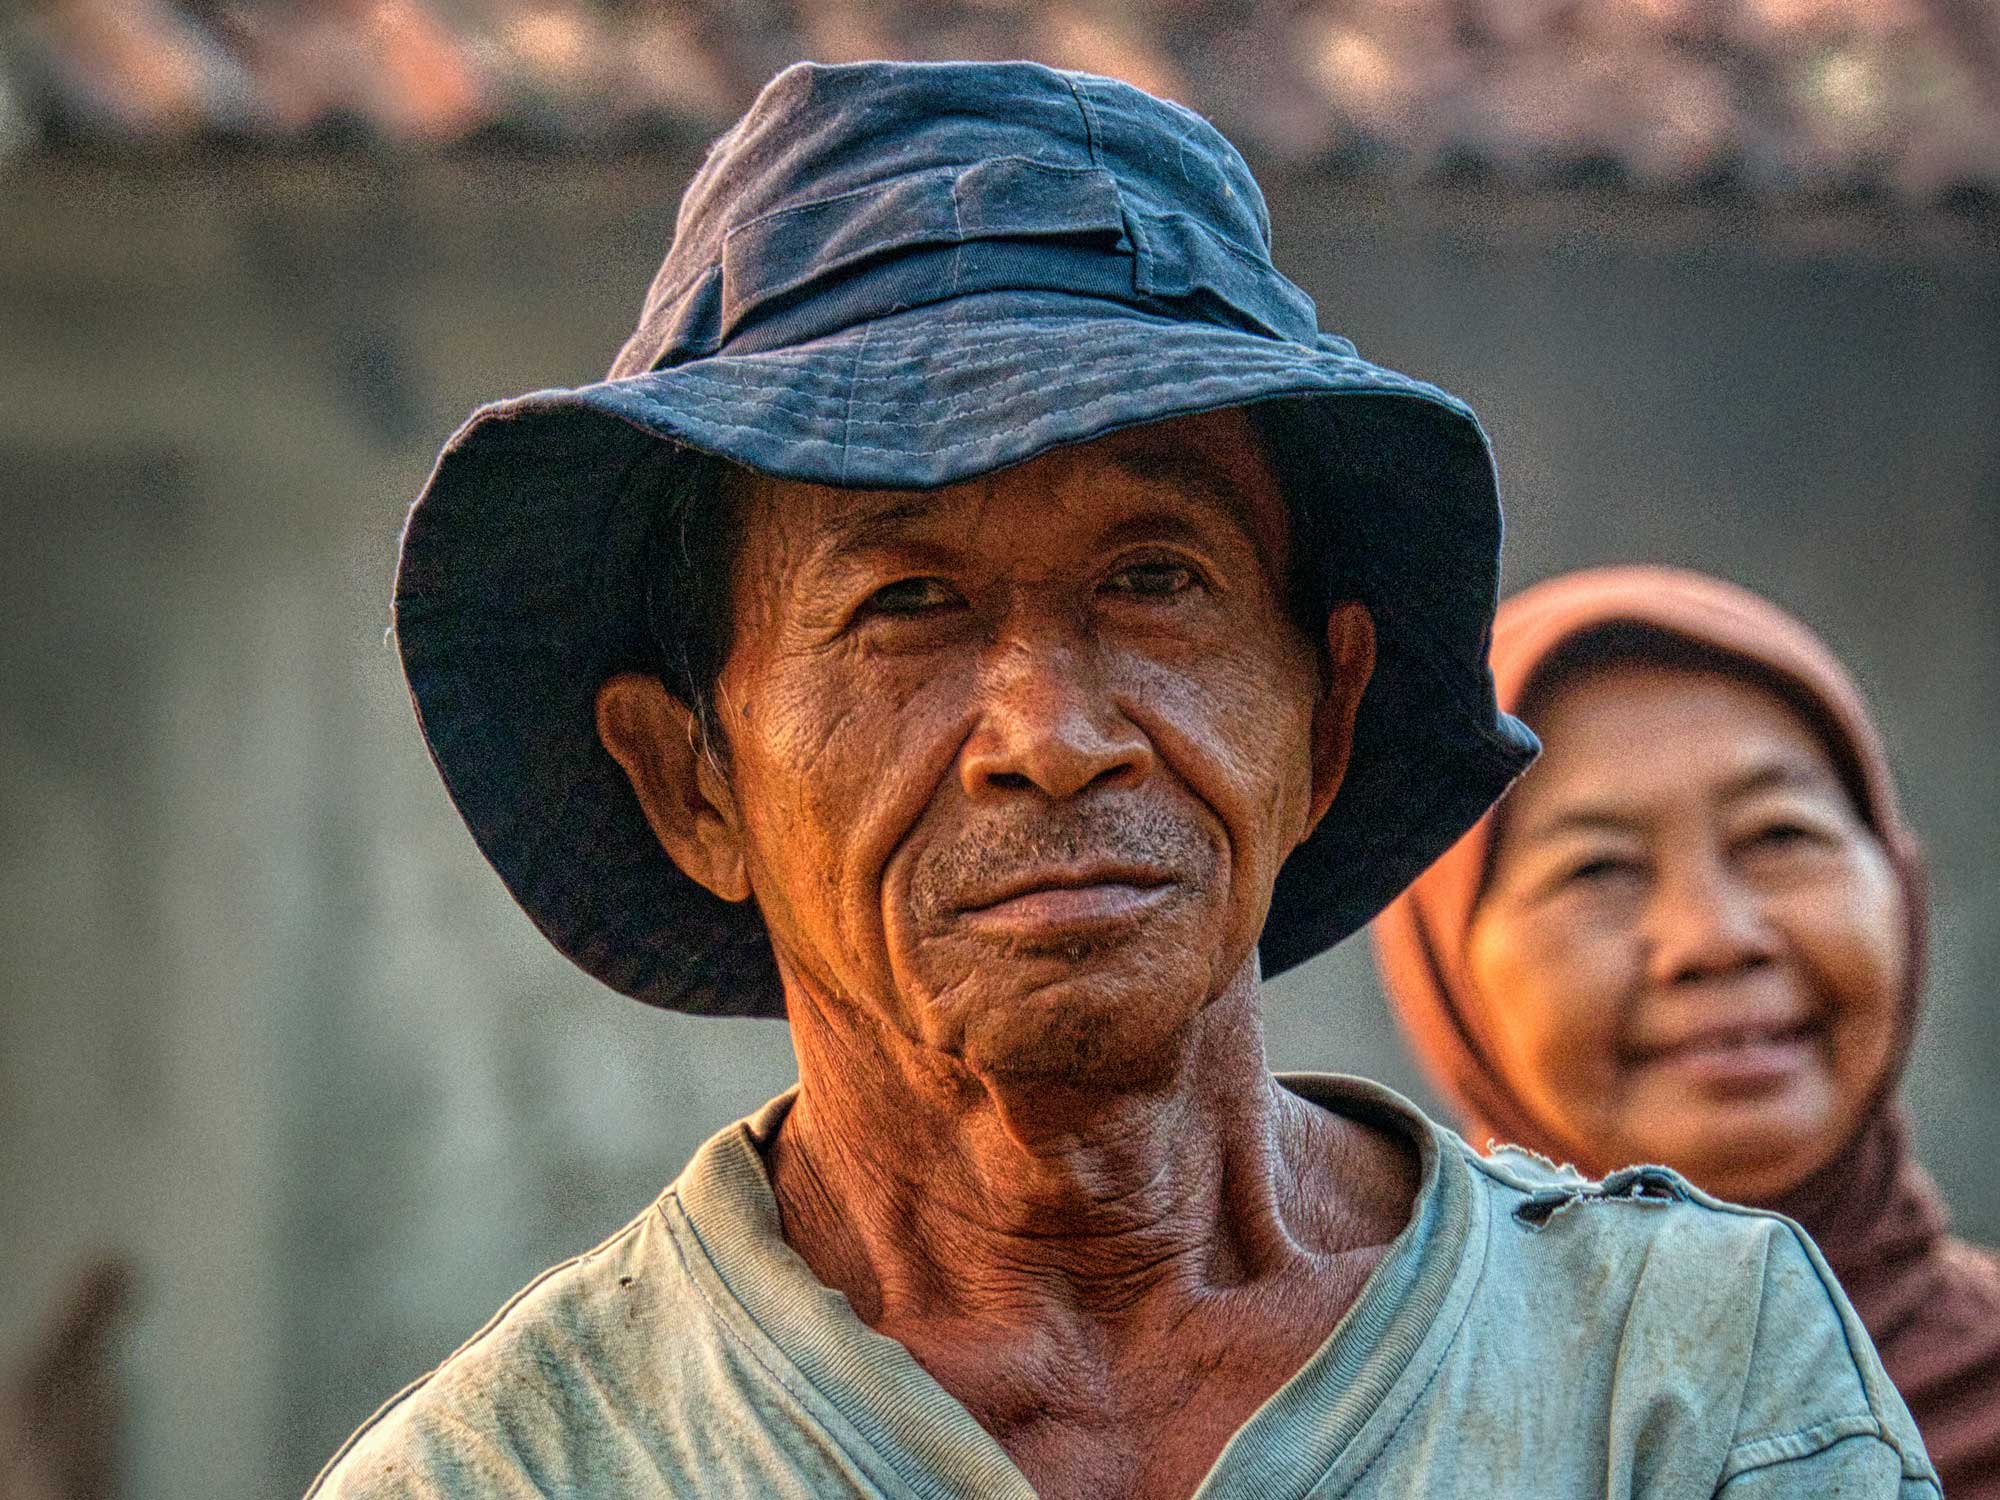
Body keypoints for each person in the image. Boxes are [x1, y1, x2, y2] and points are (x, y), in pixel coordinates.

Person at [312, 62, 1937, 1499]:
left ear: (1328, 713)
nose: (1053, 733)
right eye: (904, 606)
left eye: (1155, 579)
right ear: (692, 786)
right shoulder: (515, 1476)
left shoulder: (1687, 1388)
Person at [1374, 563, 2000, 1494]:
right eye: (1597, 869)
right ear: (1446, 970)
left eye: (1779, 835)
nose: (1712, 939)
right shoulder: (1365, 1438)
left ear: (1900, 889)